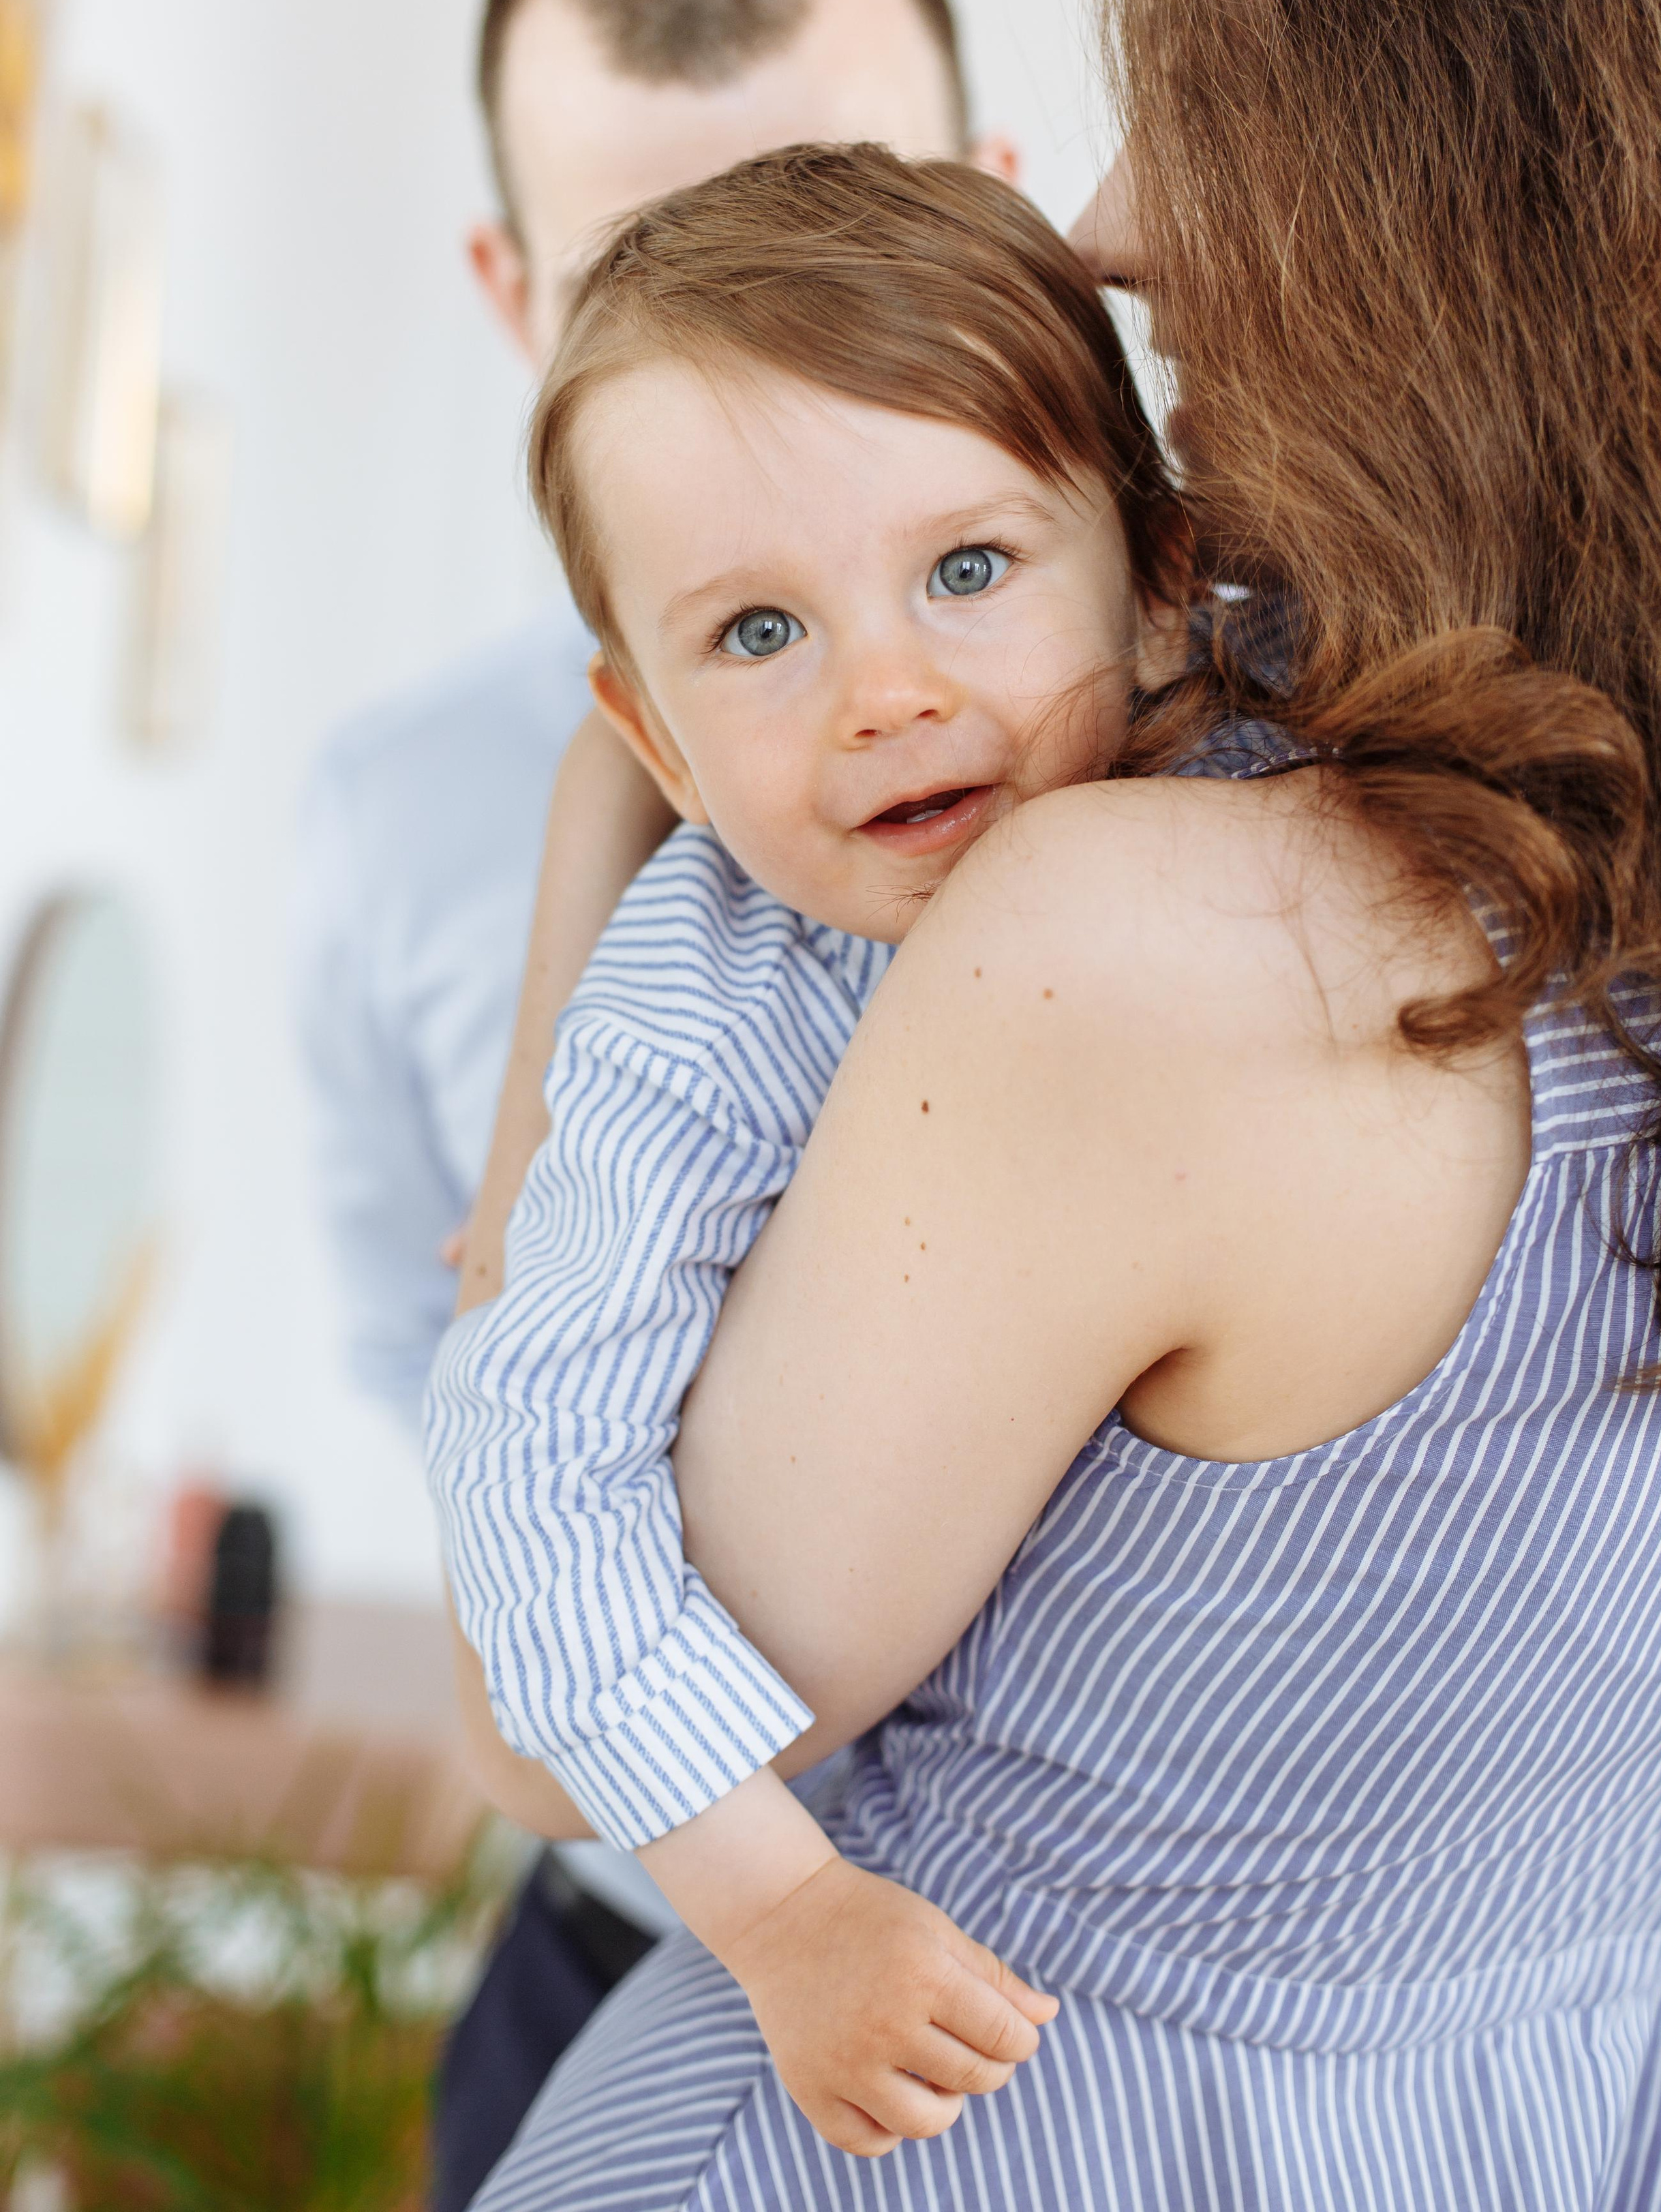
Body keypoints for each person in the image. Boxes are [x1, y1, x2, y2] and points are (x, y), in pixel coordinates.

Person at [441, 0, 1661, 2206]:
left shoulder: (1166, 945)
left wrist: (642, 826)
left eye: (1201, 107)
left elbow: (564, 1696)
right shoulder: (1620, 868)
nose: (1121, 224)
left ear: (1449, 197)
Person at [290, 0, 1015, 2212]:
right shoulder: (400, 820)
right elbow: (470, 1434)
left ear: (1003, 204)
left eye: (853, 208)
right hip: (636, 1957)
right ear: (513, 296)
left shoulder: (1266, 697)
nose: (775, 328)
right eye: (642, 262)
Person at [427, 140, 1201, 2151]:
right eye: (757, 636)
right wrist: (781, 1916)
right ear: (658, 739)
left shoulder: (1277, 793)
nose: (886, 690)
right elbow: (531, 1470)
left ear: (1166, 576)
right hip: (905, 1888)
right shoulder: (703, 1010)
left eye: (968, 571)